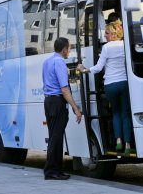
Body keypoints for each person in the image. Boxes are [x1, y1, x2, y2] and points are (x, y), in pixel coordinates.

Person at [77, 20, 132, 155]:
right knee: (126, 114)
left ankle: (118, 141)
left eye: (107, 33)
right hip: (124, 83)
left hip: (110, 85)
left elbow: (98, 68)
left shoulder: (107, 48)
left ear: (113, 34)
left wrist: (84, 70)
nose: (105, 36)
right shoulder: (126, 45)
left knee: (116, 113)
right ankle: (128, 144)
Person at [42, 37, 82, 180]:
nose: (69, 51)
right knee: (56, 137)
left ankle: (56, 170)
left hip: (49, 102)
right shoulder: (59, 62)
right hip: (58, 102)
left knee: (55, 136)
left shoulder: (47, 62)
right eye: (69, 48)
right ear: (64, 49)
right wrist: (75, 108)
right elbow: (64, 89)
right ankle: (51, 171)